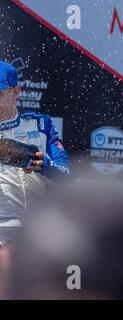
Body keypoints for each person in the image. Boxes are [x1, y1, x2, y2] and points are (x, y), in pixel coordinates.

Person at [0, 61, 70, 246]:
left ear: (16, 91)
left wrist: (43, 166)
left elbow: (66, 175)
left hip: (38, 232)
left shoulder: (40, 124)